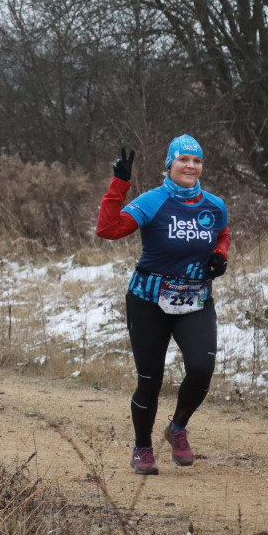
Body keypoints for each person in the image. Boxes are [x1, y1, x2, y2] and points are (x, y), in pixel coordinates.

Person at [96, 135, 230, 475]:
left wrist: (220, 254)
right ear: (169, 165)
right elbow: (108, 229)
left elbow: (222, 233)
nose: (190, 166)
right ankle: (142, 447)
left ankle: (178, 428)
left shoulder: (214, 205)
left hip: (196, 300)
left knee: (201, 371)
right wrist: (119, 184)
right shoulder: (152, 201)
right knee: (150, 380)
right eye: (183, 159)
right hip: (148, 302)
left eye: (196, 161)